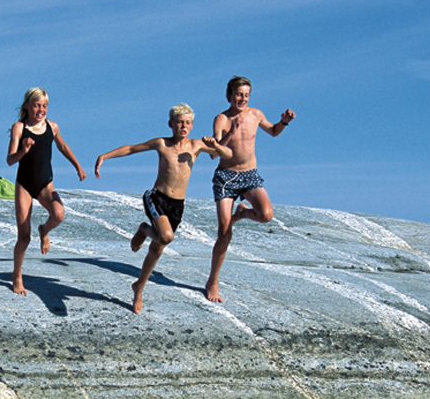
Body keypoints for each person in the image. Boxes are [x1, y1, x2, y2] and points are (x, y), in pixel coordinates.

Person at [94, 104, 232, 314]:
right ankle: (144, 229)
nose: (183, 126)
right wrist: (105, 156)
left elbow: (226, 155)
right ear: (171, 124)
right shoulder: (162, 143)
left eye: (187, 122)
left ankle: (139, 286)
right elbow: (132, 148)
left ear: (192, 125)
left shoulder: (196, 145)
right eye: (179, 122)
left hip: (177, 206)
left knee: (157, 248)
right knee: (166, 237)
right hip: (156, 198)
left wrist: (216, 144)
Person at [205, 76, 295, 303]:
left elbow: (273, 131)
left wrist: (283, 122)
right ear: (229, 95)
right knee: (224, 233)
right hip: (226, 177)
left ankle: (242, 212)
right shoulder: (222, 119)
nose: (242, 99)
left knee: (266, 215)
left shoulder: (255, 114)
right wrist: (229, 133)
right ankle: (212, 281)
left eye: (246, 95)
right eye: (238, 94)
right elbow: (215, 152)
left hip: (250, 175)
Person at [6, 87, 86, 295]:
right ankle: (17, 275)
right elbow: (10, 160)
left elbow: (63, 147)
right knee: (24, 237)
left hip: (44, 184)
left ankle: (44, 230)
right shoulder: (19, 128)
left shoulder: (52, 126)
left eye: (44, 106)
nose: (41, 110)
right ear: (27, 106)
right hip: (24, 184)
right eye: (36, 105)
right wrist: (23, 150)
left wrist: (77, 166)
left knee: (59, 214)